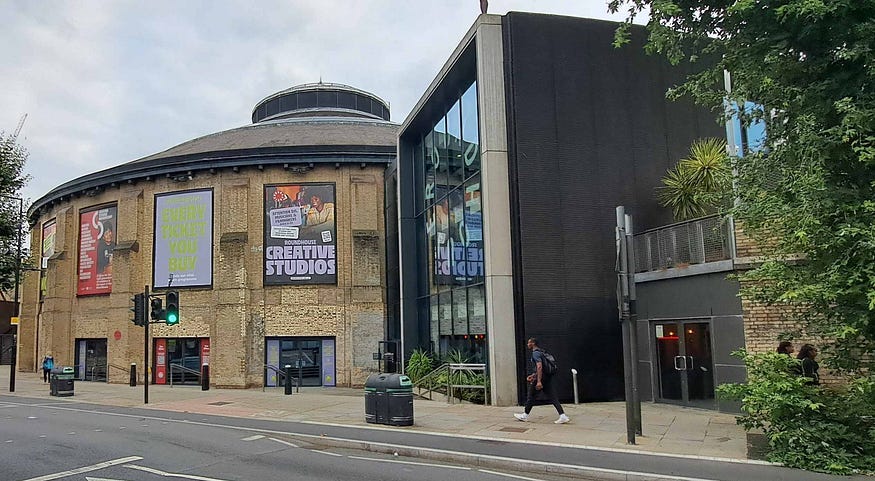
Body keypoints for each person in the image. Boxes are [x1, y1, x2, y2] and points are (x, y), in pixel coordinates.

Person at [514, 337, 570, 424]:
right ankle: (562, 416)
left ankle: (525, 415)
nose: (527, 345)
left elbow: (539, 366)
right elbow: (540, 368)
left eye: (529, 343)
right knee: (553, 397)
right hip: (547, 378)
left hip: (541, 379)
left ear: (533, 343)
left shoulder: (535, 354)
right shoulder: (541, 352)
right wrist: (533, 375)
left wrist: (539, 381)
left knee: (531, 396)